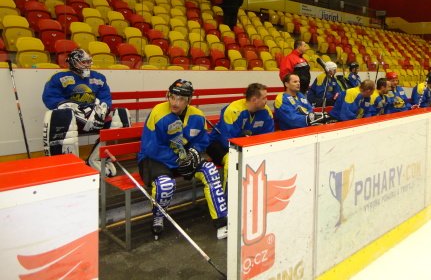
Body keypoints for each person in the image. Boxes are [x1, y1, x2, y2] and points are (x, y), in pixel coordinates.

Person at [138, 79, 228, 240]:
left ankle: (222, 222)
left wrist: (194, 152)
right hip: (155, 159)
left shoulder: (198, 116)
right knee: (165, 185)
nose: (175, 103)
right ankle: (158, 216)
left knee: (210, 171)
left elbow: (202, 140)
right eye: (172, 97)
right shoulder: (158, 113)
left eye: (180, 99)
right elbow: (150, 147)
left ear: (189, 100)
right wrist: (181, 159)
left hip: (184, 158)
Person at [42, 48, 130, 176]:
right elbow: (50, 98)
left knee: (121, 118)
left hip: (95, 118)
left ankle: (96, 160)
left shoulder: (99, 77)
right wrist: (73, 109)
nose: (88, 64)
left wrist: (102, 110)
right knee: (61, 118)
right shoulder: (59, 78)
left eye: (89, 61)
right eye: (84, 62)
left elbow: (106, 98)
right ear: (73, 62)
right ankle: (67, 165)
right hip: (73, 119)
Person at [207, 83, 275, 192]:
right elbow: (227, 141)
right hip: (219, 144)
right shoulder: (233, 110)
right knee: (232, 161)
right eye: (264, 98)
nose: (267, 100)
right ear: (254, 99)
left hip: (246, 146)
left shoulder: (266, 112)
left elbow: (268, 137)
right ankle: (228, 198)